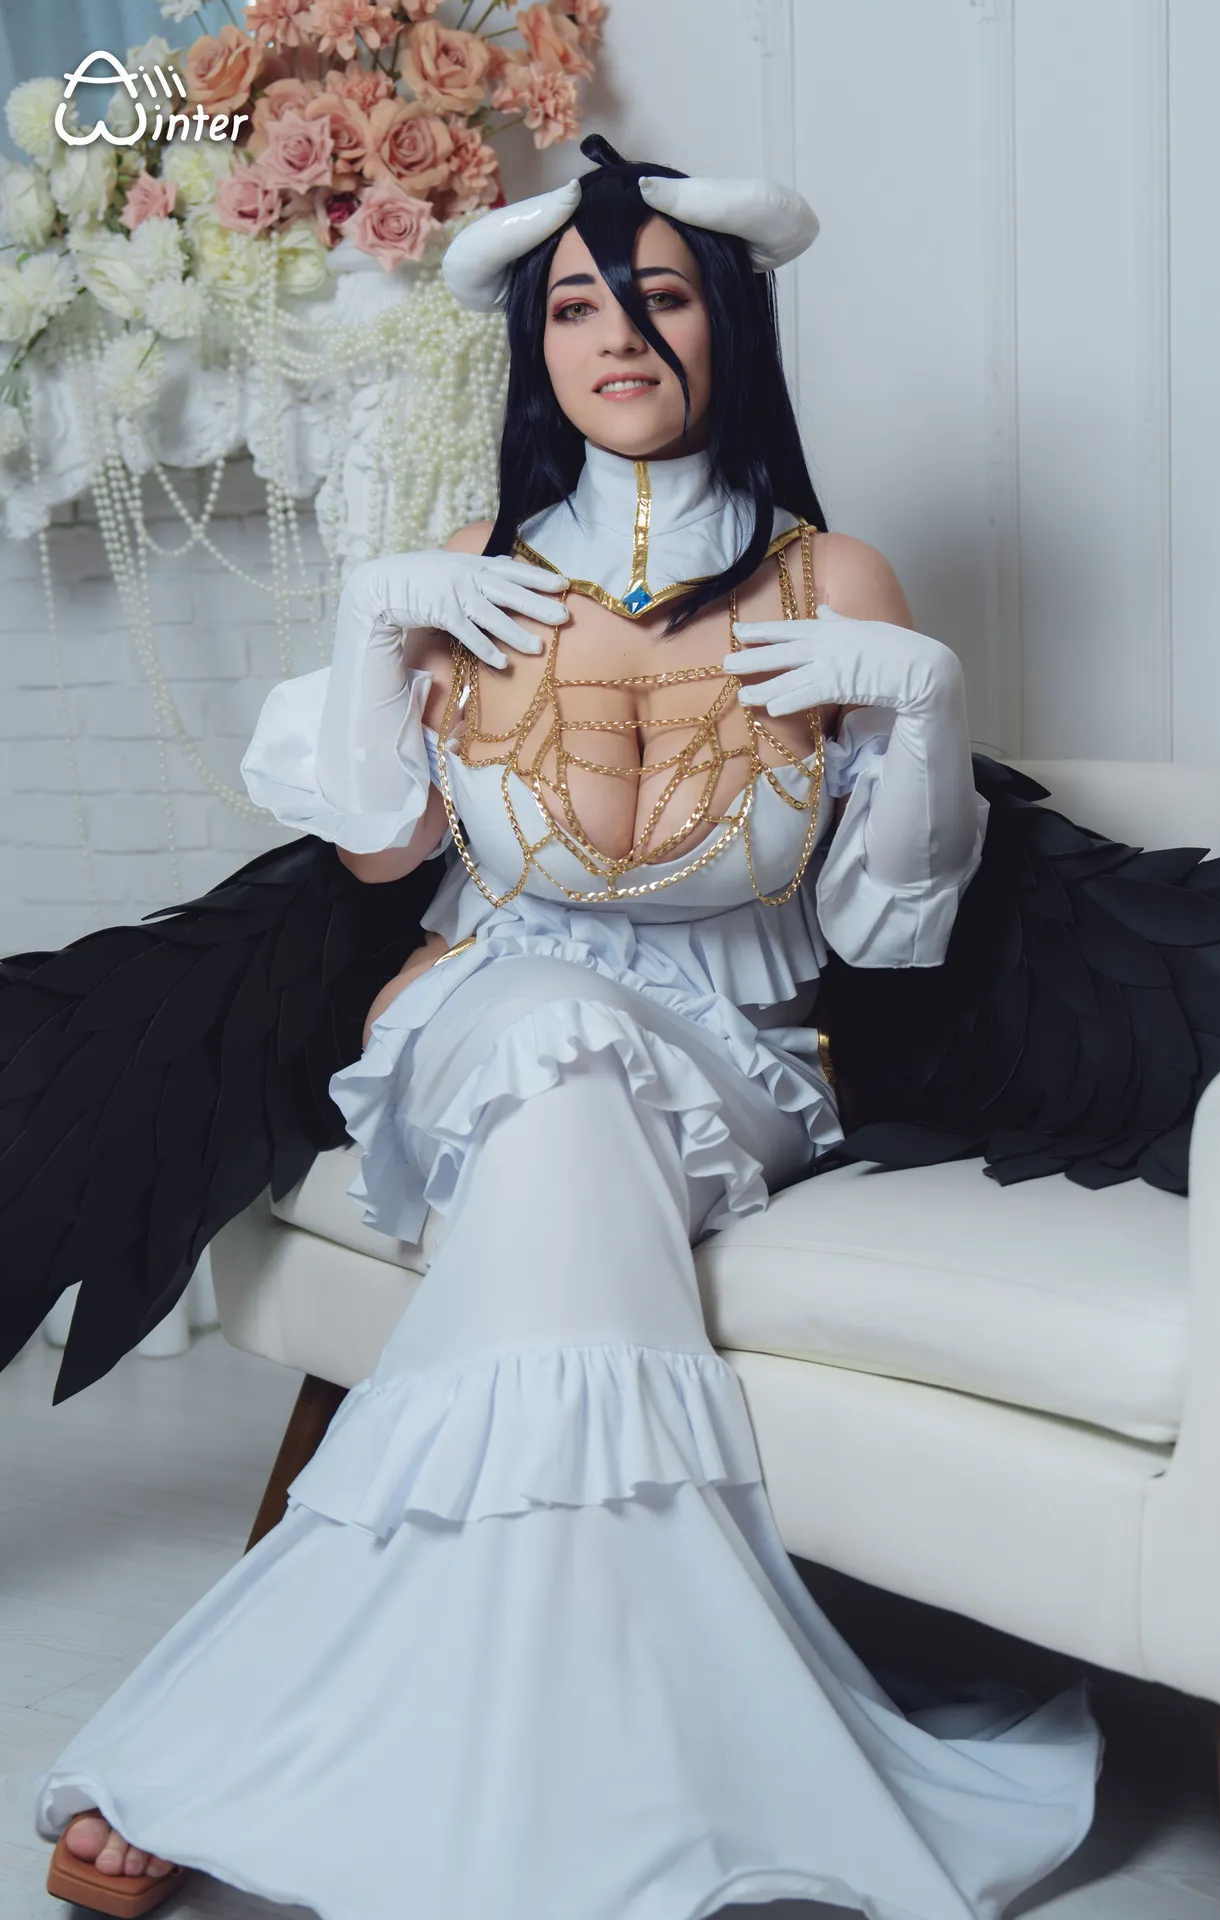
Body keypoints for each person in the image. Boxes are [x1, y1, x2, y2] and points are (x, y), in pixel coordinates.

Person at [34, 136, 1103, 1920]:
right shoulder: (472, 568)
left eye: (661, 296)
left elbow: (885, 929)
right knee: (541, 1020)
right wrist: (375, 621)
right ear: (536, 348)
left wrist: (925, 709)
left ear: (730, 326)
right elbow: (381, 847)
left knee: (571, 1073)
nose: (619, 336)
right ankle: (616, 1763)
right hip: (484, 1010)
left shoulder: (837, 582)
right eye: (578, 307)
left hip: (729, 1057)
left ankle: (278, 1739)